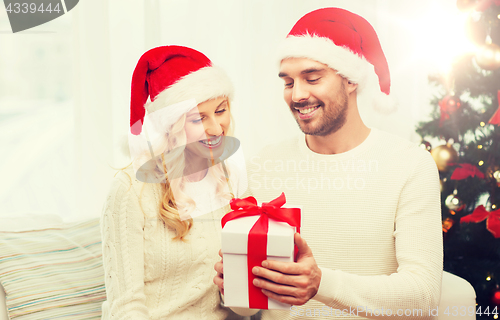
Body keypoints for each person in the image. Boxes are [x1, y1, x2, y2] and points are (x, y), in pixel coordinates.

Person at [214, 7, 443, 320]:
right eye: (288, 82)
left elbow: (423, 296)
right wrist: (237, 285)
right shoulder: (264, 164)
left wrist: (321, 283)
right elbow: (248, 306)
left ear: (350, 80)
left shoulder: (410, 165)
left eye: (312, 78)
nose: (297, 95)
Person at [101, 45, 247, 319]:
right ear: (171, 127)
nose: (216, 129)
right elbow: (126, 307)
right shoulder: (131, 189)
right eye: (198, 118)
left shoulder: (232, 179)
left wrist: (240, 286)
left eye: (221, 110)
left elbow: (242, 305)